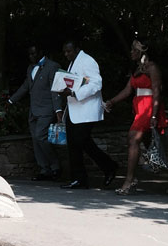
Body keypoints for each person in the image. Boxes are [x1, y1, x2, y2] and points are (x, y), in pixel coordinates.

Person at [104, 40, 168, 195]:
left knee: (133, 138)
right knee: (155, 146)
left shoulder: (152, 67)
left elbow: (156, 91)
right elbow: (127, 90)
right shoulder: (137, 69)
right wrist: (112, 101)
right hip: (140, 108)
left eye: (134, 50)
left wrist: (154, 115)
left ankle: (130, 180)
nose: (131, 52)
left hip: (149, 109)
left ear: (141, 52)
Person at [57, 40, 118, 189]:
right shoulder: (73, 63)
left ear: (77, 49)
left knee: (82, 140)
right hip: (74, 109)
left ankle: (109, 166)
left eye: (69, 51)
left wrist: (74, 93)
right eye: (65, 52)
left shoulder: (88, 61)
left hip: (86, 109)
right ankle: (79, 179)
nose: (66, 54)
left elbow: (96, 84)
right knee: (73, 143)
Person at [9, 45, 64, 180]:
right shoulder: (30, 68)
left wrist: (58, 110)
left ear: (41, 52)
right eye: (29, 54)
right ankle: (44, 170)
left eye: (33, 54)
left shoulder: (52, 66)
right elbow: (26, 86)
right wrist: (11, 100)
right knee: (35, 140)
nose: (31, 56)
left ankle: (55, 167)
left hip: (47, 109)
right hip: (34, 111)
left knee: (40, 136)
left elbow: (55, 89)